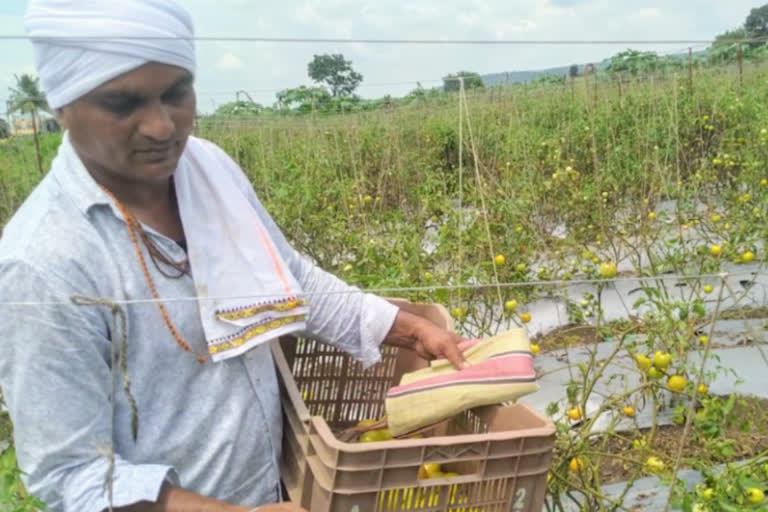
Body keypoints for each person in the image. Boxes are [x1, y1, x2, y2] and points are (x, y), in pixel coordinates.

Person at [0, 1, 467, 511]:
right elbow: (72, 476)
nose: (160, 126)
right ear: (61, 106)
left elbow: (290, 281)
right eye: (122, 104)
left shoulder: (207, 169)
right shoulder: (44, 262)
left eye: (176, 93)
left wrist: (406, 327)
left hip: (270, 490)